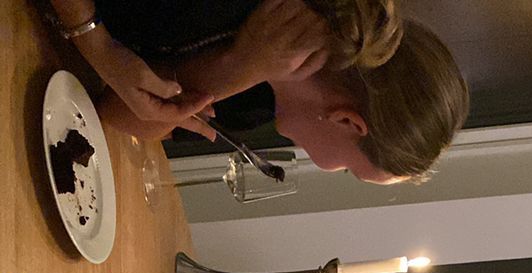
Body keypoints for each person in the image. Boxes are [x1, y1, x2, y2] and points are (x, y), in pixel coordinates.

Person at [46, 0, 469, 182]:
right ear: (347, 121)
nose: (327, 168)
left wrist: (234, 69)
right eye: (346, 169)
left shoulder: (256, 104)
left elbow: (112, 111)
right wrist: (95, 42)